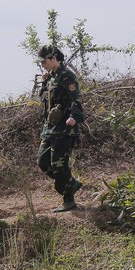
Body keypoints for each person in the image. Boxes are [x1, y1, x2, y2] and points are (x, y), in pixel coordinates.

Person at [36, 45, 84, 212]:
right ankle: (71, 184)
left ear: (54, 58)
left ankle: (68, 200)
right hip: (49, 128)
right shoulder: (49, 78)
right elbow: (43, 98)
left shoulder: (67, 76)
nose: (42, 64)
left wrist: (74, 117)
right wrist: (43, 82)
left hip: (65, 127)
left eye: (44, 61)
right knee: (42, 162)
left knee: (59, 164)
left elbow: (75, 99)